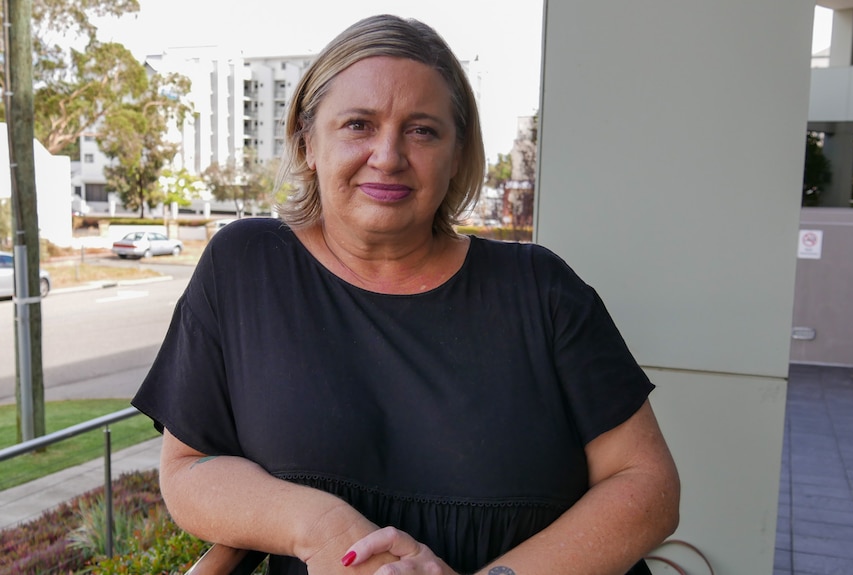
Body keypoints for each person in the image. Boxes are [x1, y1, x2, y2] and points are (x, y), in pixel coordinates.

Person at [132, 14, 680, 575]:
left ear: (458, 155)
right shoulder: (245, 266)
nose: (389, 156)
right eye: (358, 125)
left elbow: (647, 484)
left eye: (422, 130)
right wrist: (327, 532)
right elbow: (191, 468)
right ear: (307, 141)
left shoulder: (541, 288)